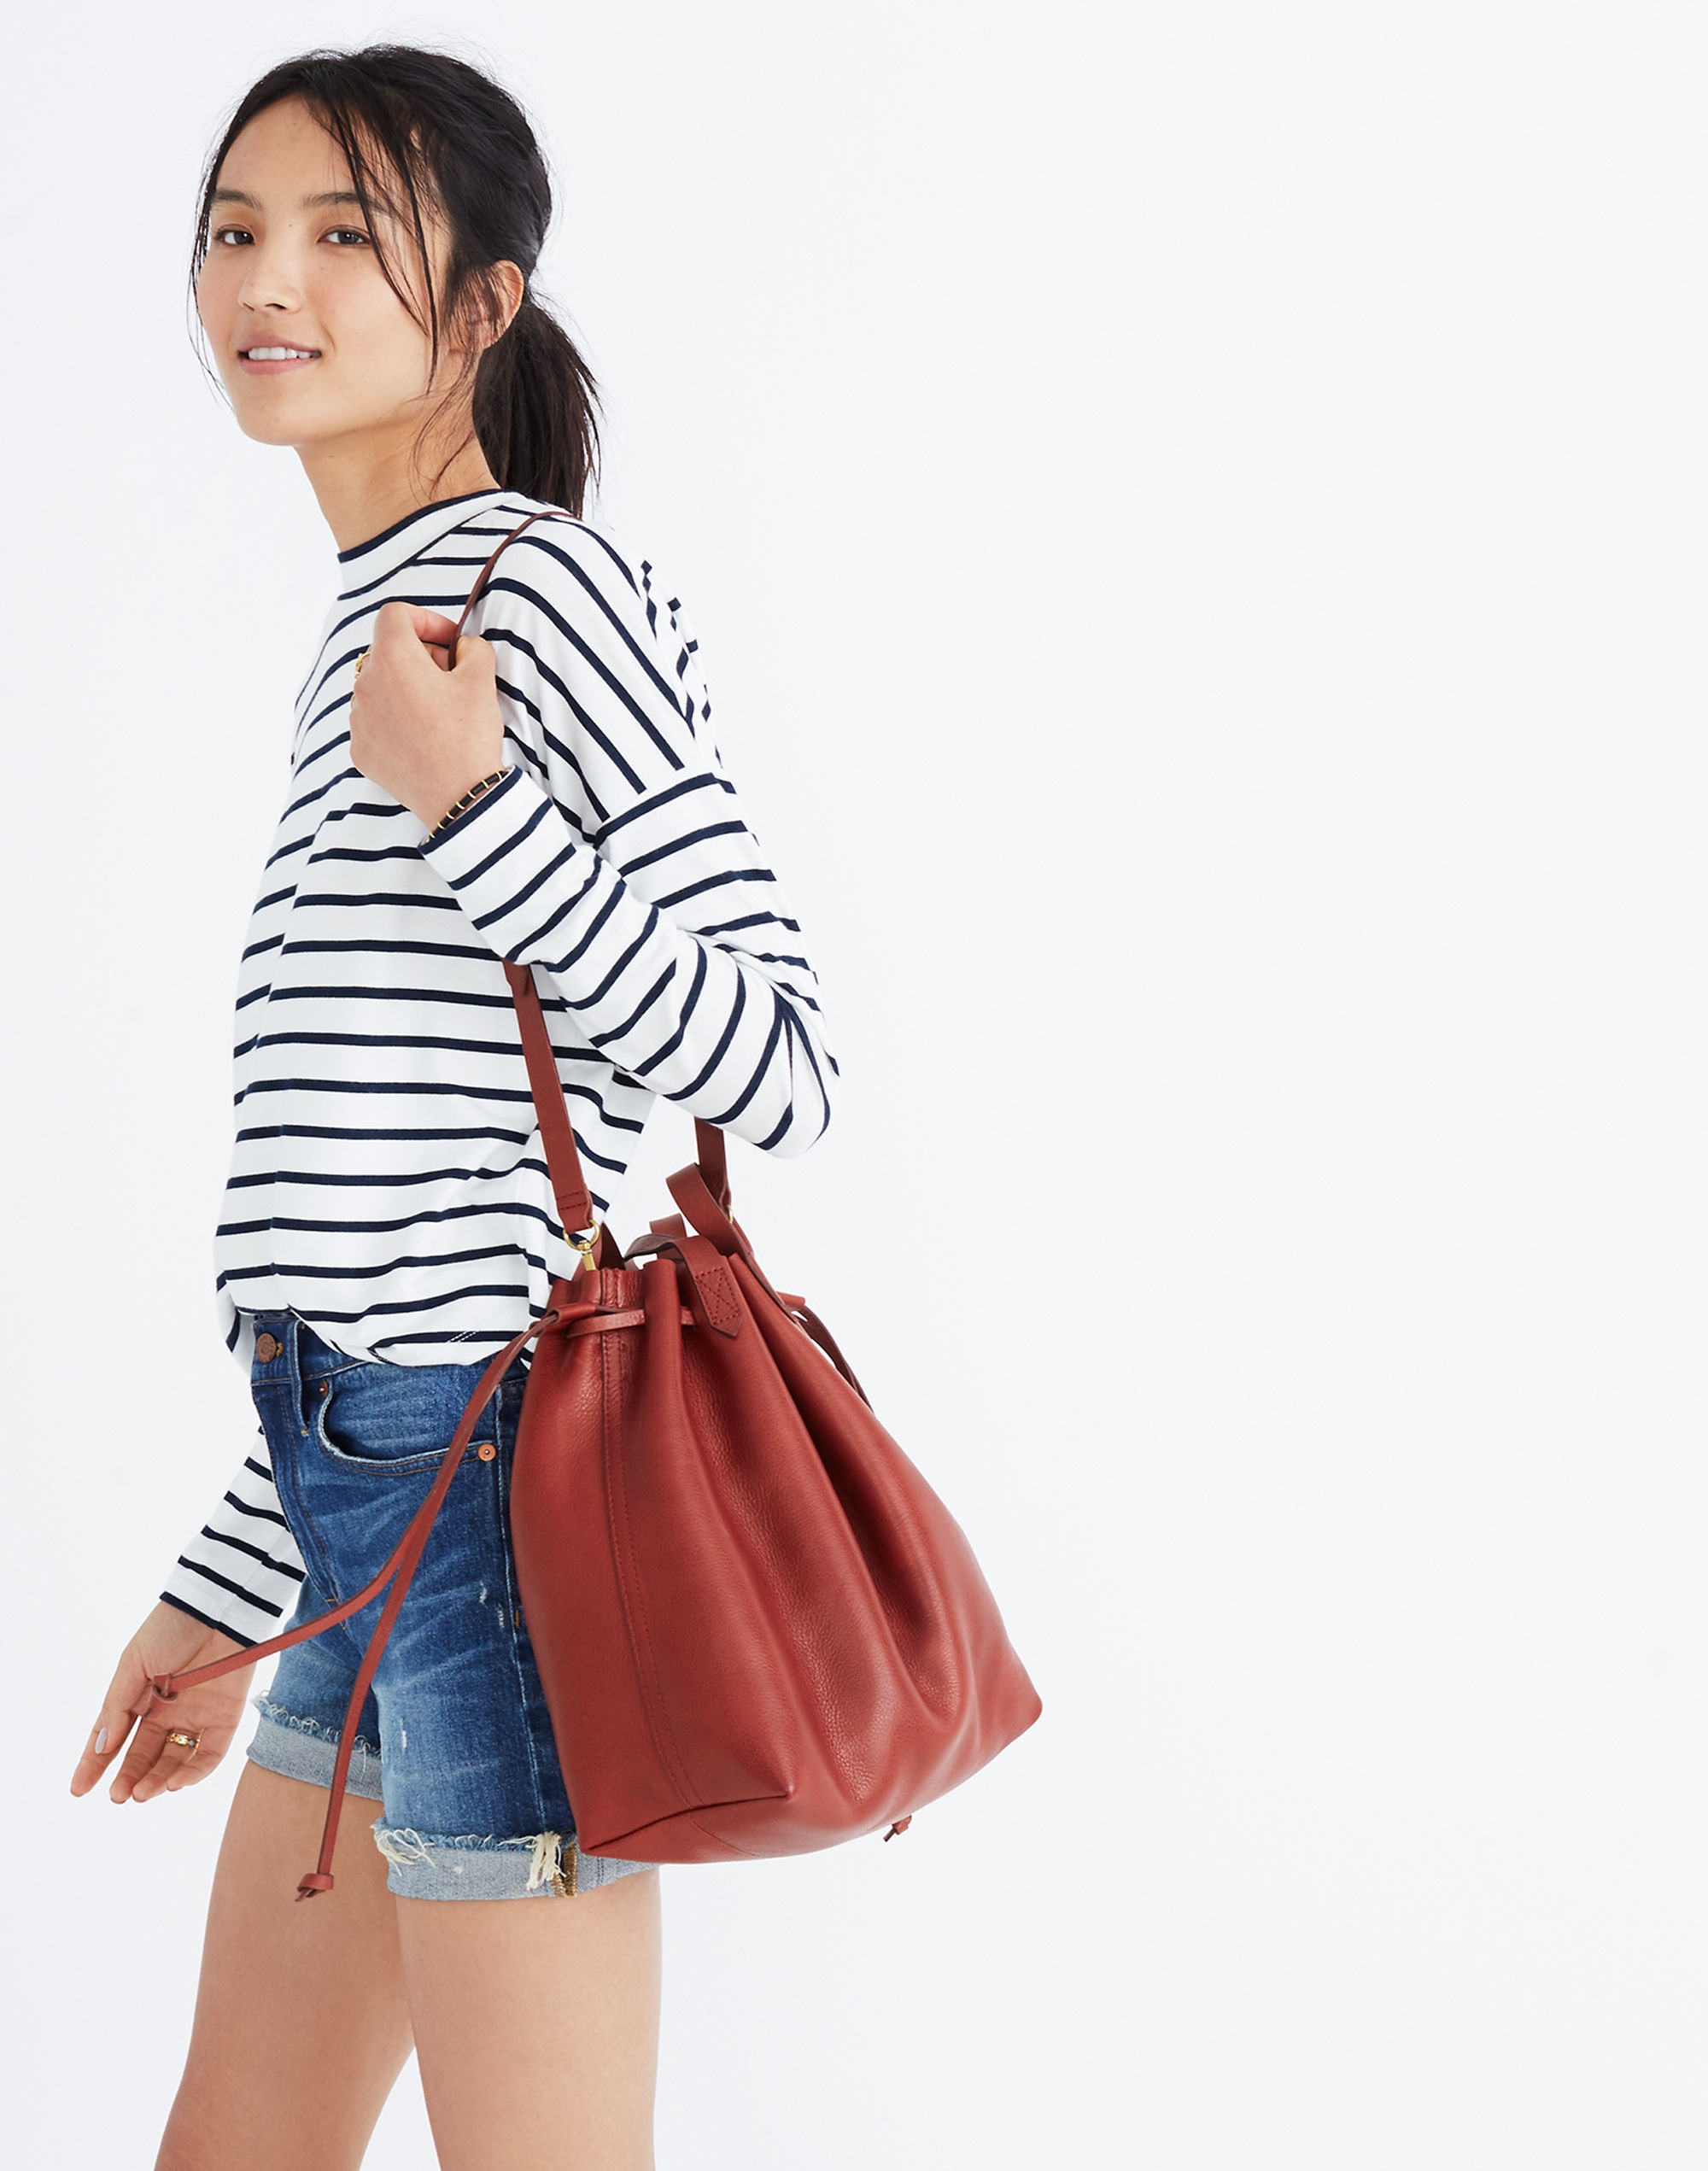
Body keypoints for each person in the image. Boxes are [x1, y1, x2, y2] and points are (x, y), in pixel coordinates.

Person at [65, 43, 837, 2171]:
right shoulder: (370, 623)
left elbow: (773, 1061)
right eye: (235, 229)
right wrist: (236, 1579)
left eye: (343, 235)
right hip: (370, 1508)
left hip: (501, 1527)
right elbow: (404, 1232)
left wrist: (475, 802)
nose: (266, 280)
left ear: (482, 304)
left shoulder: (538, 593)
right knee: (236, 2138)